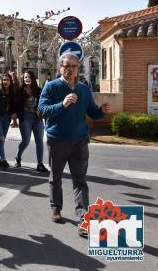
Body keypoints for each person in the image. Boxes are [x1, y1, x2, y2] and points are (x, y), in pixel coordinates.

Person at [38, 53, 111, 237]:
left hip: (79, 141)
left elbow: (92, 112)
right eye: (66, 66)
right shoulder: (51, 87)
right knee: (55, 177)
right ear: (60, 68)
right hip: (57, 140)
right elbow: (42, 111)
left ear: (78, 68)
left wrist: (101, 111)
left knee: (80, 181)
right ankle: (56, 208)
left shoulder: (84, 89)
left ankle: (83, 219)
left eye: (73, 66)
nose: (70, 69)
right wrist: (62, 104)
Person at [14, 70, 48, 172]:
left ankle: (40, 164)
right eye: (25, 77)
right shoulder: (20, 91)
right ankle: (18, 156)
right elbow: (16, 105)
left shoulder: (39, 90)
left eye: (28, 77)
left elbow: (44, 104)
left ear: (33, 78)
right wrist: (15, 117)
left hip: (37, 118)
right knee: (26, 141)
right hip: (25, 118)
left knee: (39, 142)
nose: (27, 79)